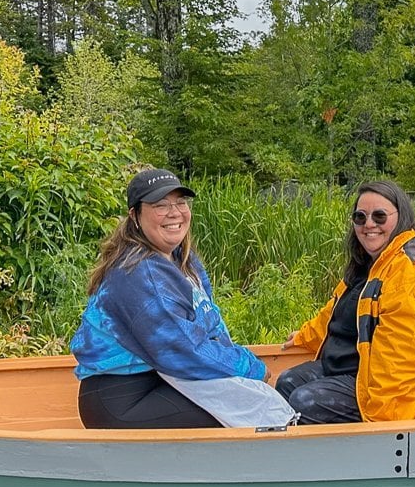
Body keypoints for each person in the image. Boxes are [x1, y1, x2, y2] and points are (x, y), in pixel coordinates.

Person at [71, 168, 296, 429]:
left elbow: (211, 328)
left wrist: (240, 370)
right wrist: (250, 368)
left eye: (180, 202)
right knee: (244, 415)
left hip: (163, 381)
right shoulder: (138, 273)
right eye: (160, 205)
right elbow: (185, 350)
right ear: (135, 215)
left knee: (250, 400)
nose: (174, 212)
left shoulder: (182, 260)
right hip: (122, 398)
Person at [276, 181, 415, 423]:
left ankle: (340, 459)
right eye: (360, 217)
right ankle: (296, 456)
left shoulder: (413, 274)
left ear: (401, 216)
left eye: (379, 216)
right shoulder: (372, 263)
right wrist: (306, 335)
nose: (369, 224)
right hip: (358, 371)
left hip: (403, 401)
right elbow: (339, 312)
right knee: (287, 382)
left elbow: (399, 362)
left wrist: (386, 429)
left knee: (305, 401)